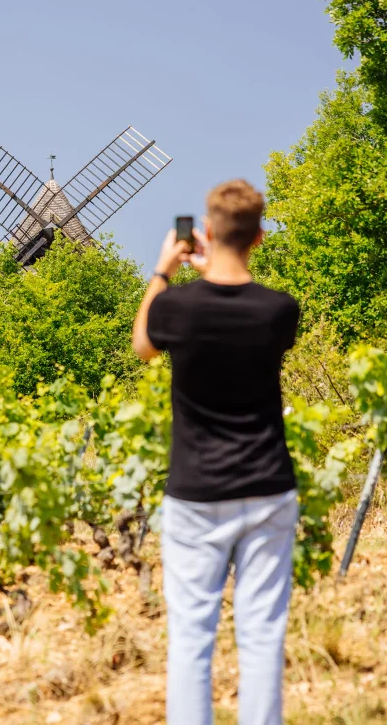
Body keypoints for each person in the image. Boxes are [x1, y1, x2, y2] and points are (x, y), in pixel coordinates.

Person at [132, 179, 300, 725]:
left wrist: (165, 271)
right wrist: (217, 267)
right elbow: (238, 300)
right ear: (258, 236)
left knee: (191, 638)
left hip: (196, 493)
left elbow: (142, 346)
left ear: (202, 232)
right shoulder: (279, 311)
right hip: (267, 487)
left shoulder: (177, 308)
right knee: (262, 636)